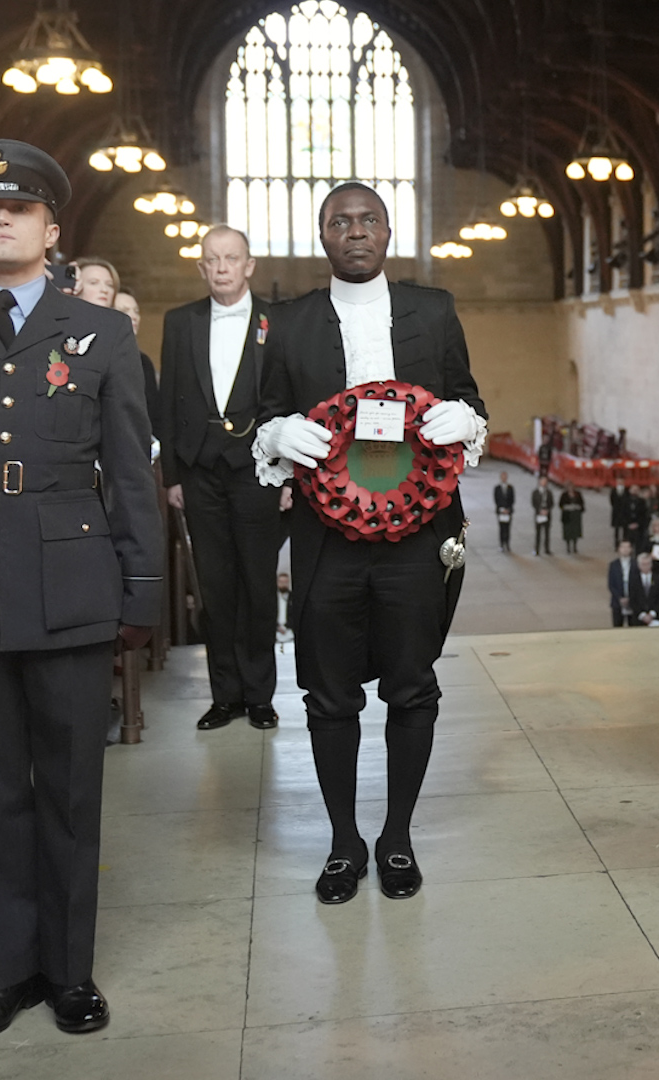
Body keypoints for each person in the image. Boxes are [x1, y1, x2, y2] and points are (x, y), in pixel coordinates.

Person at [0, 140, 162, 1039]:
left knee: (71, 789)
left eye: (19, 209)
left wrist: (141, 592)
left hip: (71, 583)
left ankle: (70, 971)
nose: (0, 219)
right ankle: (5, 971)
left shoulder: (105, 334)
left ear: (52, 228)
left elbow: (129, 475)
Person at [250, 181, 487, 907]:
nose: (355, 232)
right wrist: (276, 434)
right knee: (329, 693)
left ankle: (397, 837)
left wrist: (464, 420)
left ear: (389, 233)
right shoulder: (287, 323)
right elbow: (266, 414)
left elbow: (470, 399)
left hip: (419, 535)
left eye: (368, 220)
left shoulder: (434, 309)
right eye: (339, 222)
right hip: (328, 538)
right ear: (322, 236)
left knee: (413, 686)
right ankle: (344, 842)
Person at [159, 225, 285, 731]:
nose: (222, 267)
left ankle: (260, 695)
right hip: (199, 469)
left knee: (257, 584)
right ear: (202, 267)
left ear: (249, 265)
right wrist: (172, 476)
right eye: (212, 259)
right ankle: (224, 695)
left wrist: (291, 478)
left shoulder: (277, 321)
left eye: (231, 258)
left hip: (259, 469)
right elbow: (168, 404)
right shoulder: (180, 321)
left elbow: (290, 400)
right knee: (215, 587)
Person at [113, 288, 160, 425]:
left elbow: (153, 412)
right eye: (124, 311)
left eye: (136, 311)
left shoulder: (143, 362)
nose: (133, 316)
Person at [626, 549, 659, 624]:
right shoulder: (634, 580)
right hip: (638, 618)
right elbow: (632, 599)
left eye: (647, 564)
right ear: (639, 565)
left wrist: (652, 614)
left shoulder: (658, 579)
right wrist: (642, 615)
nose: (645, 566)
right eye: (643, 564)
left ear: (651, 564)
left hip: (655, 618)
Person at [607, 537, 634, 626]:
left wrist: (630, 597)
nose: (625, 549)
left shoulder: (636, 564)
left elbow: (637, 584)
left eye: (627, 547)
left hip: (633, 601)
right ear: (619, 549)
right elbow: (611, 584)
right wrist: (620, 598)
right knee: (617, 627)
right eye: (623, 547)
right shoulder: (613, 565)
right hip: (617, 602)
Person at [530, 474, 554, 555]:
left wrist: (547, 510)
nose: (544, 483)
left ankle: (547, 549)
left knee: (547, 533)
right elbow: (533, 503)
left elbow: (552, 503)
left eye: (545, 482)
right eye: (542, 481)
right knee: (538, 533)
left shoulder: (549, 492)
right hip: (539, 514)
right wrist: (539, 510)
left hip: (547, 514)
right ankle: (536, 549)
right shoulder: (535, 492)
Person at [493, 470, 516, 552]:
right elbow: (496, 499)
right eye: (502, 477)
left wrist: (508, 509)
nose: (504, 478)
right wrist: (501, 509)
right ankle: (501, 544)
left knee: (508, 528)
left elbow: (512, 500)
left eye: (505, 477)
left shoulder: (510, 488)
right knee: (501, 528)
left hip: (508, 511)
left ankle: (507, 544)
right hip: (501, 511)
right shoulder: (497, 488)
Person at [559, 483, 584, 553]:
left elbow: (582, 503)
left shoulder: (578, 494)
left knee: (575, 531)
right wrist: (566, 507)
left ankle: (575, 546)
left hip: (576, 516)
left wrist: (578, 507)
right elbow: (560, 504)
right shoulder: (564, 495)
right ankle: (568, 547)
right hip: (567, 515)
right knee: (568, 532)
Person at [610, 480, 629, 544]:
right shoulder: (613, 490)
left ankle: (624, 541)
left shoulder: (626, 490)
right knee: (616, 529)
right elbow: (612, 500)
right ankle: (616, 543)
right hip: (616, 512)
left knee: (625, 529)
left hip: (625, 513)